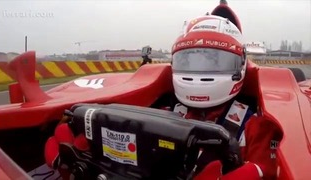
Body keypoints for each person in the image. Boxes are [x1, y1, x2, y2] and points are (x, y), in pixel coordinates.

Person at [44, 15, 280, 180]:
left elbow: (267, 168)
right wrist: (84, 143)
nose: (198, 71)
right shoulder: (164, 110)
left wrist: (256, 171)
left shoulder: (254, 126)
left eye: (214, 60)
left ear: (240, 64)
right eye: (189, 60)